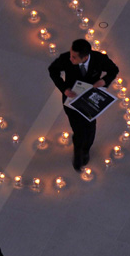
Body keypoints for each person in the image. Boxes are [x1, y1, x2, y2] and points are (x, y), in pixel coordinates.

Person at [48, 38, 120, 171]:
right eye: (71, 55)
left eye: (74, 57)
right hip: (72, 101)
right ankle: (78, 153)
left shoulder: (99, 59)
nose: (71, 59)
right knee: (78, 130)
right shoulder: (65, 59)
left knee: (90, 128)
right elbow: (53, 70)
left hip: (90, 101)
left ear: (85, 56)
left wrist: (103, 82)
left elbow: (113, 70)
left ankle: (86, 150)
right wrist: (64, 88)